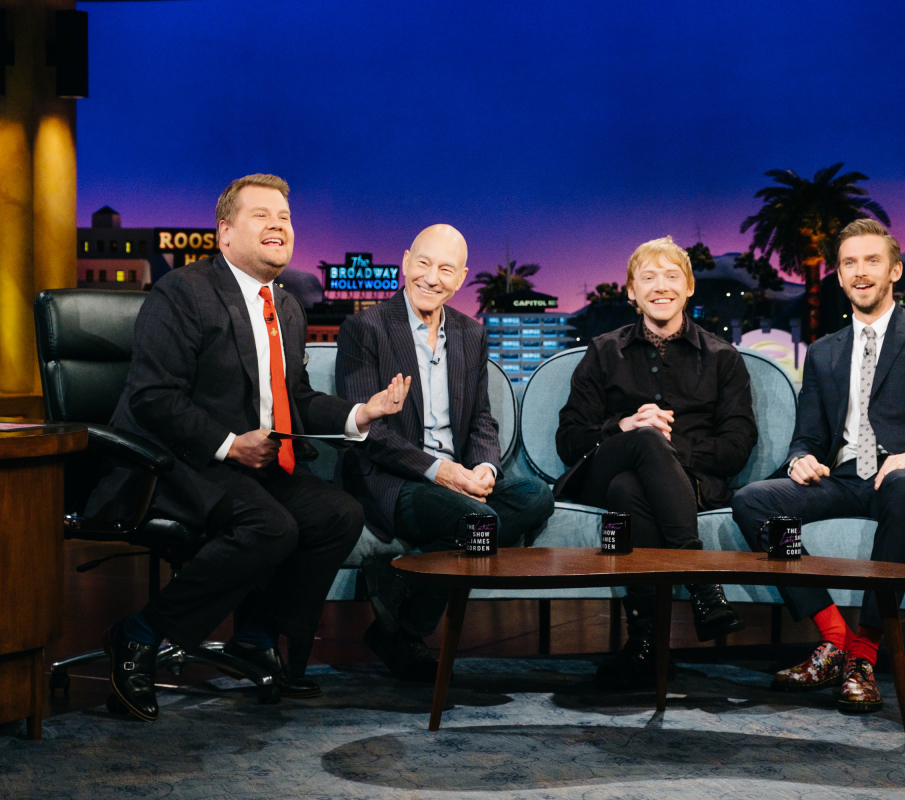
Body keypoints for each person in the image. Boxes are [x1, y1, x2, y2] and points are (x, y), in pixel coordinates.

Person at [88, 174, 411, 722]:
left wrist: (363, 412)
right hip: (172, 461)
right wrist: (230, 444)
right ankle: (138, 635)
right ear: (225, 234)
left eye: (284, 216)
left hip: (252, 465)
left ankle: (256, 636)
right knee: (273, 525)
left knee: (338, 513)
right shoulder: (183, 292)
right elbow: (151, 397)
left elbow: (298, 398)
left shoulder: (285, 307)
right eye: (261, 215)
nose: (279, 225)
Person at [731, 218, 905, 713]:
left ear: (895, 271)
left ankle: (864, 658)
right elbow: (807, 436)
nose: (860, 272)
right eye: (849, 263)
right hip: (845, 477)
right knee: (753, 500)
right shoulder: (823, 352)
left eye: (871, 261)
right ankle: (835, 639)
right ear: (839, 277)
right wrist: (800, 459)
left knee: (903, 484)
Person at [336, 224, 555, 682]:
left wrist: (484, 468)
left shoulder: (470, 334)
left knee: (535, 496)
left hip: (455, 478)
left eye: (446, 270)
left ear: (460, 279)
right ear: (404, 262)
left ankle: (398, 605)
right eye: (423, 263)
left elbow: (480, 420)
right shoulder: (365, 328)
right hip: (392, 477)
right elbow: (369, 434)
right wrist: (442, 472)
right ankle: (409, 631)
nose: (432, 278)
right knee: (481, 522)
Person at [555, 236, 758, 690]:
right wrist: (625, 426)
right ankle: (701, 582)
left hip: (678, 488)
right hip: (600, 472)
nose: (660, 286)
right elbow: (569, 439)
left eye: (671, 276)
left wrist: (668, 450)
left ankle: (646, 643)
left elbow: (738, 445)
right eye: (648, 277)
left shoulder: (723, 358)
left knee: (631, 488)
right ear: (631, 291)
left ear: (688, 287)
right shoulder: (603, 351)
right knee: (640, 443)